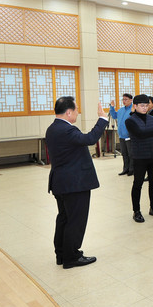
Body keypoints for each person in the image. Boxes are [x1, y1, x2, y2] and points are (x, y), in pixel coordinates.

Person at [45, 97, 108, 269]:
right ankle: (71, 257)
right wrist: (102, 119)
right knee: (75, 220)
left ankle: (62, 254)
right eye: (77, 109)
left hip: (61, 181)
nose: (78, 112)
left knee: (64, 218)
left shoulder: (53, 128)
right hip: (74, 183)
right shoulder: (66, 130)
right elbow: (89, 139)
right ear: (69, 112)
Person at [126, 94, 153, 223]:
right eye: (142, 105)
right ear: (135, 106)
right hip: (140, 157)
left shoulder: (152, 119)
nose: (144, 108)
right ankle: (136, 211)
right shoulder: (130, 120)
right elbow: (140, 134)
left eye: (147, 105)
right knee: (138, 184)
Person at [110, 93, 134, 176]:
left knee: (131, 153)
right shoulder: (121, 110)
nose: (124, 101)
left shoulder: (133, 110)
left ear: (131, 100)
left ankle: (132, 169)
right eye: (123, 99)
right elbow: (114, 116)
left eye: (126, 99)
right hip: (121, 135)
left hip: (129, 136)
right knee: (124, 153)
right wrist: (112, 107)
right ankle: (125, 169)